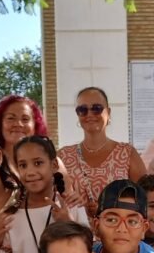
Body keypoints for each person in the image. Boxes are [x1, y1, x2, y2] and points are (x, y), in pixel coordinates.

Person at [0, 135, 87, 253]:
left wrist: (67, 223)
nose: (30, 172)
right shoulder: (12, 217)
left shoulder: (71, 208)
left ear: (54, 165)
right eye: (23, 165)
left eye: (38, 163)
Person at [59, 87, 146, 219]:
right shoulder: (63, 156)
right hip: (75, 229)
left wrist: (110, 207)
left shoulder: (126, 153)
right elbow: (54, 199)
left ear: (108, 112)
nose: (89, 114)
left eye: (96, 108)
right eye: (82, 109)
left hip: (119, 229)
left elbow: (145, 199)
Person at [0, 95, 50, 167]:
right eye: (11, 118)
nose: (18, 124)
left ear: (35, 125)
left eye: (25, 119)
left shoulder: (49, 162)